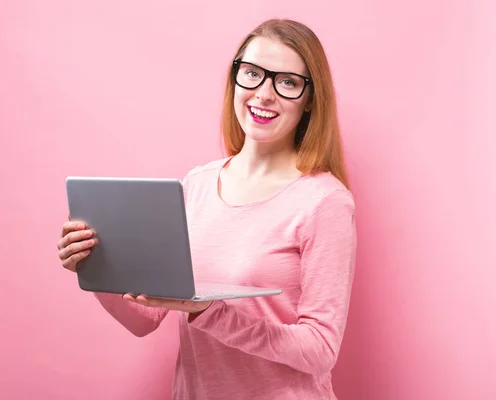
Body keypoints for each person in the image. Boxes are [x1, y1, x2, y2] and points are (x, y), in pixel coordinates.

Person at [57, 18, 357, 400]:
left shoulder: (324, 201)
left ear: (311, 98)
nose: (264, 94)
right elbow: (146, 318)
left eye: (286, 82)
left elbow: (320, 350)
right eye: (252, 74)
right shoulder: (197, 185)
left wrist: (207, 313)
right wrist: (95, 266)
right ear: (235, 80)